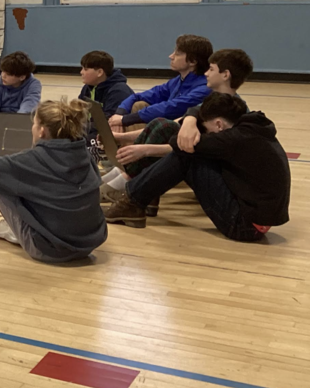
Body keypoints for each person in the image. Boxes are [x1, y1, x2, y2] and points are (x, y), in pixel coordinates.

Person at [103, 93, 290, 239]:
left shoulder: (232, 139)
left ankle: (132, 200)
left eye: (206, 129)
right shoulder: (251, 125)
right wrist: (191, 119)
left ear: (218, 125)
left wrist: (185, 129)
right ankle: (139, 198)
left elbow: (179, 143)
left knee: (187, 155)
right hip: (257, 217)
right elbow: (195, 109)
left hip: (245, 226)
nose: (203, 132)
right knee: (188, 149)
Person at [100, 49, 254, 212]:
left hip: (223, 177)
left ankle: (127, 181)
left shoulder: (232, 110)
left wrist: (144, 150)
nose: (206, 74)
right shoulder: (213, 102)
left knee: (167, 132)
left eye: (211, 69)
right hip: (202, 159)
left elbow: (196, 147)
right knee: (162, 124)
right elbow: (172, 123)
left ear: (225, 75)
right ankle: (133, 184)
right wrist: (121, 137)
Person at [0, 98, 107, 263]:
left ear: (42, 131)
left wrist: (18, 161)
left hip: (49, 250)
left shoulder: (33, 159)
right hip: (89, 243)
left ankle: (14, 229)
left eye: (34, 124)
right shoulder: (83, 153)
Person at [108, 34, 213, 132]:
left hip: (179, 135)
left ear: (193, 61)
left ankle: (128, 147)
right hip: (167, 129)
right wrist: (119, 114)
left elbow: (169, 108)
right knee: (138, 105)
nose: (171, 56)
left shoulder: (205, 87)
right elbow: (140, 96)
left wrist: (125, 119)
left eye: (177, 53)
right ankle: (125, 146)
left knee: (140, 113)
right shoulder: (177, 81)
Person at [78, 50, 133, 119]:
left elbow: (109, 121)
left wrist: (83, 128)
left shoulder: (118, 91)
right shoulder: (87, 88)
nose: (81, 72)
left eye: (85, 69)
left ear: (100, 72)